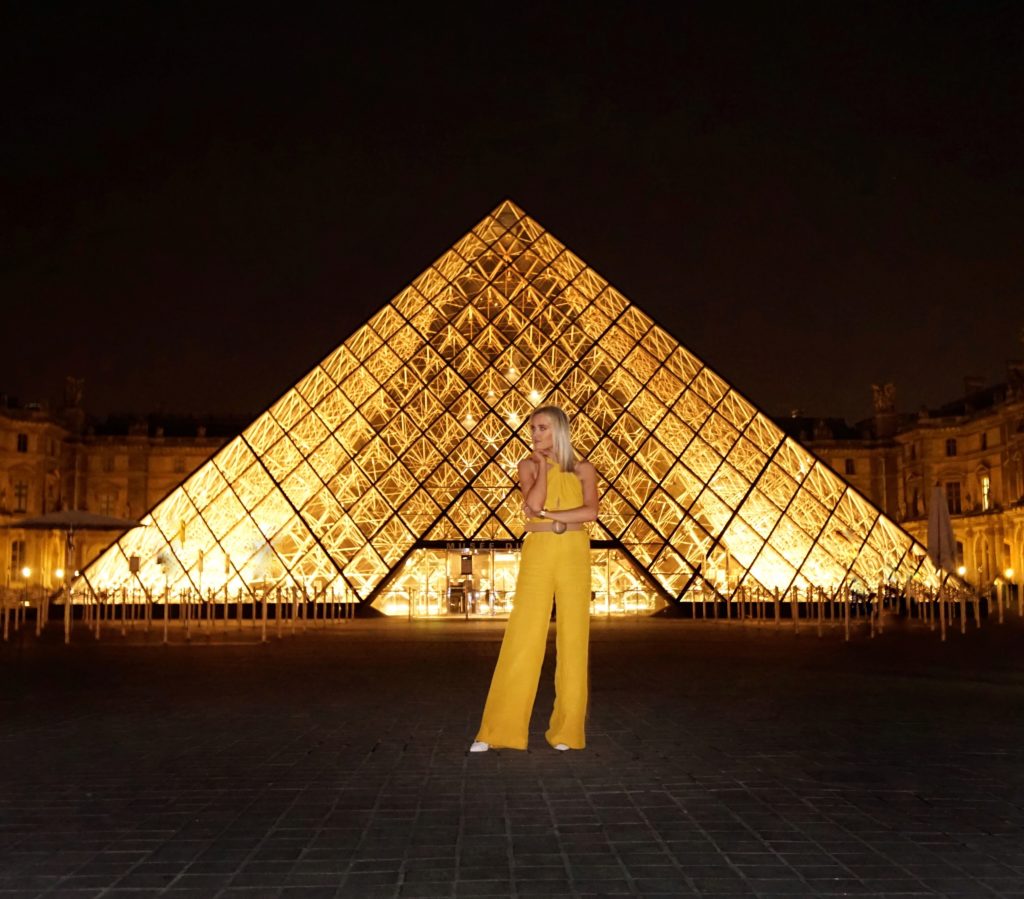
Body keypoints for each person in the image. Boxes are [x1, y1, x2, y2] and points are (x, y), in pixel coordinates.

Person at [470, 405, 599, 752]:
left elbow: (591, 511)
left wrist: (552, 515)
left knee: (574, 641)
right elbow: (532, 505)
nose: (535, 434)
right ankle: (497, 731)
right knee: (522, 635)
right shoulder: (527, 465)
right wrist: (542, 467)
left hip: (574, 549)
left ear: (559, 429)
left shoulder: (585, 468)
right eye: (532, 429)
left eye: (542, 428)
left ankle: (567, 732)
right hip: (538, 549)